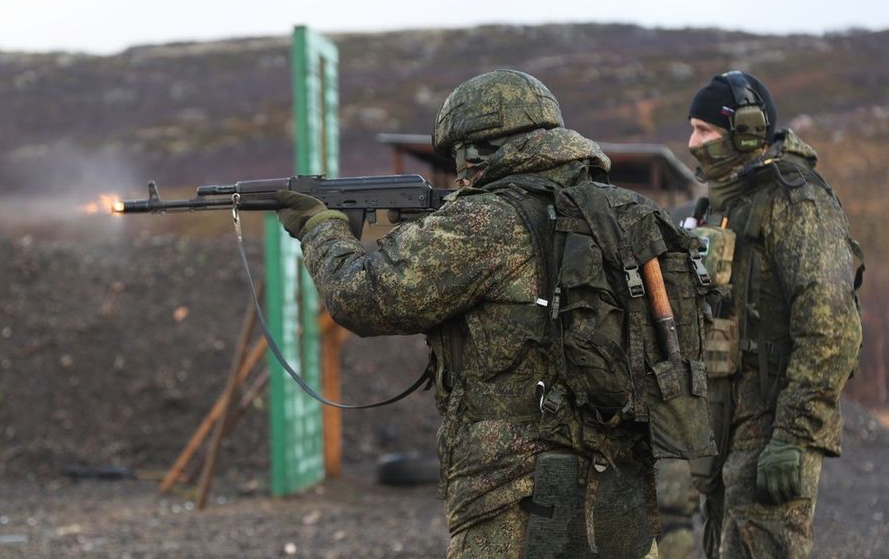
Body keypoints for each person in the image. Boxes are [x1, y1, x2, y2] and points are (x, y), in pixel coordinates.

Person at [274, 69, 713, 558]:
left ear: (481, 147)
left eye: (461, 156)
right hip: (621, 481)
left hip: (515, 496)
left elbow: (364, 297)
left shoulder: (488, 219)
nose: (461, 172)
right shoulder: (628, 212)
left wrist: (321, 229)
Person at [684, 71, 863, 558]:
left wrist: (793, 434)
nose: (692, 143)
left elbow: (831, 325)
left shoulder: (796, 200)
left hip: (775, 425)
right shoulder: (722, 205)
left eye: (705, 131)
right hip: (726, 424)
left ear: (745, 130)